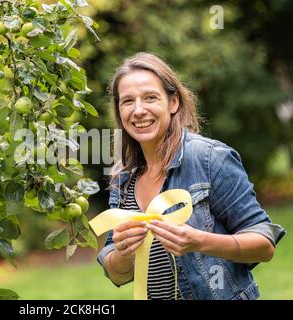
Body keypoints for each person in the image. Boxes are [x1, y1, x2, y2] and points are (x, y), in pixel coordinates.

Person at [96, 52, 286, 300]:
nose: (139, 110)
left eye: (150, 98)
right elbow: (117, 274)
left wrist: (198, 241)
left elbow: (264, 244)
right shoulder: (123, 176)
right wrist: (124, 251)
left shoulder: (208, 158)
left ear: (173, 103)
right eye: (128, 101)